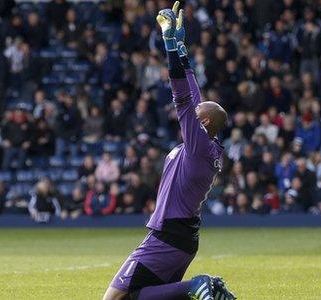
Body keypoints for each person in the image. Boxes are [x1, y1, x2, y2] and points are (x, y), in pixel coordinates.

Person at [103, 3, 235, 299]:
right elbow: (193, 93)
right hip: (183, 236)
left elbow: (182, 95)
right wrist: (182, 47)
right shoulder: (206, 146)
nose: (195, 105)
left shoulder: (198, 143)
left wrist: (167, 42)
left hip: (167, 236)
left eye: (197, 110)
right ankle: (206, 288)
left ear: (202, 121)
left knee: (112, 298)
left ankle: (198, 285)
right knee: (148, 295)